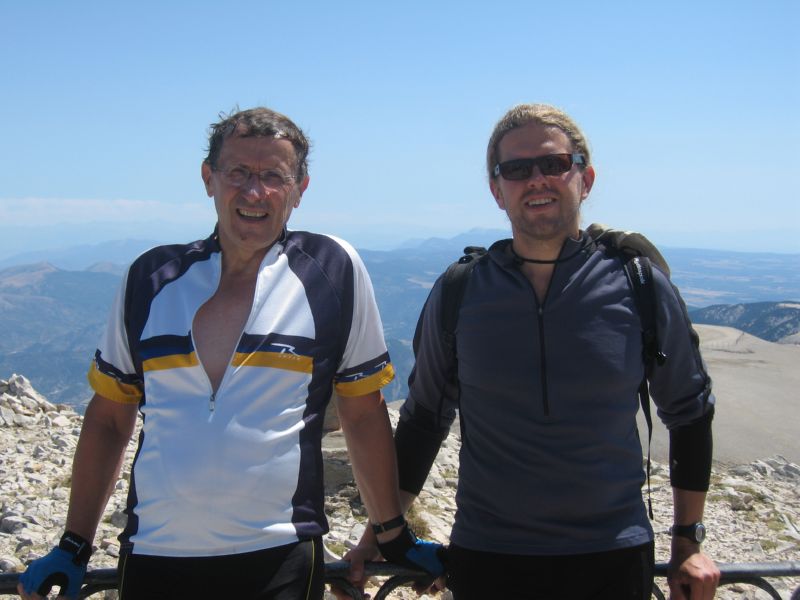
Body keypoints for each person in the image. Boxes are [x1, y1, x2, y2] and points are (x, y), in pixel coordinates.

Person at [18, 107, 443, 600]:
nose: (254, 192)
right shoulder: (151, 278)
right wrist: (74, 544)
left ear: (301, 188)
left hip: (280, 553)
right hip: (155, 553)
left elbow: (363, 413)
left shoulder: (332, 269)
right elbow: (110, 421)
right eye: (238, 173)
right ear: (208, 178)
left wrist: (392, 533)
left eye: (272, 177)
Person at [344, 104, 721, 600]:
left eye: (554, 164)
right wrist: (380, 532)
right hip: (489, 556)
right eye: (517, 170)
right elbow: (424, 419)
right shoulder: (460, 290)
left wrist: (688, 542)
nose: (537, 179)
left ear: (585, 178)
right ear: (497, 191)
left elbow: (689, 412)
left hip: (614, 555)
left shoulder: (639, 284)